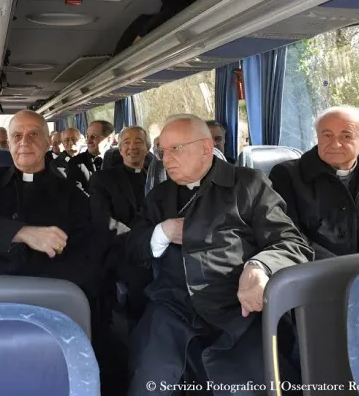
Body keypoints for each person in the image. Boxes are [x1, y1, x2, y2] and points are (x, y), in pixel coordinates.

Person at [126, 114, 312, 395]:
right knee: (149, 380)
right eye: (162, 151)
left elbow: (291, 242)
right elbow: (131, 249)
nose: (166, 159)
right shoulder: (159, 196)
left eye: (176, 149)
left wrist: (259, 266)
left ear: (204, 148)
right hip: (172, 307)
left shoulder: (249, 185)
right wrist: (161, 233)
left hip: (238, 306)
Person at [0, 110, 97, 297]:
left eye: (33, 134)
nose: (24, 142)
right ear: (10, 143)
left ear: (48, 142)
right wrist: (21, 233)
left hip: (46, 291)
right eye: (17, 136)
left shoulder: (72, 194)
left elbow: (84, 253)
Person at [270, 105, 359, 259]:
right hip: (314, 274)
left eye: (346, 136)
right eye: (327, 135)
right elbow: (286, 234)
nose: (335, 144)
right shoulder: (287, 176)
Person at [89, 126, 154, 396]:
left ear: (148, 146)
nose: (132, 147)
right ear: (119, 146)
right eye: (126, 142)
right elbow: (104, 223)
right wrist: (145, 242)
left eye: (139, 142)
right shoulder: (103, 180)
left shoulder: (162, 174)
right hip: (122, 250)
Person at [67, 120, 114, 191]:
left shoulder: (120, 159)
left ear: (109, 139)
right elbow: (77, 194)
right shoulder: (76, 163)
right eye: (87, 136)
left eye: (93, 137)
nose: (88, 141)